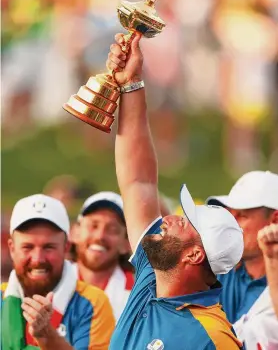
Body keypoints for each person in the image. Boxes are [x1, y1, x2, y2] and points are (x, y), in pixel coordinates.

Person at [105, 32, 244, 349]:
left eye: (185, 222)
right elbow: (138, 180)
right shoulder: (150, 275)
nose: (169, 219)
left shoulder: (213, 337)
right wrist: (132, 83)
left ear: (195, 255)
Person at [1, 194, 115, 350]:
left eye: (49, 247)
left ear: (66, 247)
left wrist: (47, 336)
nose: (37, 259)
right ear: (12, 248)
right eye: (27, 247)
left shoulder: (93, 304)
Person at [206, 171, 278, 349]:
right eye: (229, 214)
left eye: (241, 216)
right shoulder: (218, 270)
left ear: (275, 220)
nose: (230, 223)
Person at [71, 191, 134, 322]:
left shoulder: (138, 297)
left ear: (127, 244)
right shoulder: (51, 282)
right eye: (93, 225)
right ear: (74, 232)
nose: (100, 236)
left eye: (112, 229)